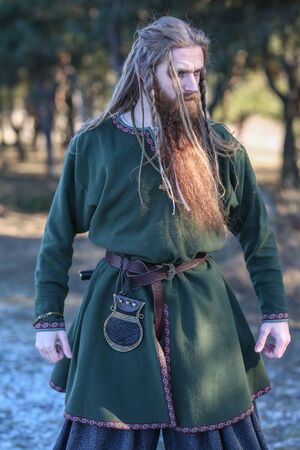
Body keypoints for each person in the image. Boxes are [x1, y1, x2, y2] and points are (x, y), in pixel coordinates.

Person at [33, 16, 291, 450]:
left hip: (202, 310)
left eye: (197, 73)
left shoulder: (219, 145)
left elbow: (258, 237)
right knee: (106, 431)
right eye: (179, 73)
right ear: (144, 72)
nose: (192, 84)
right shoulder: (94, 144)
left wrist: (275, 312)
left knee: (211, 430)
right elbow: (57, 238)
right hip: (118, 304)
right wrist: (48, 317)